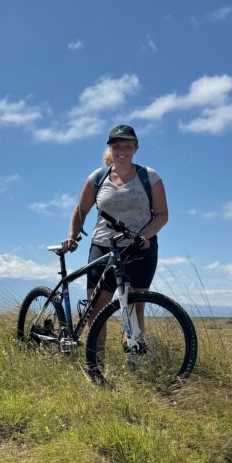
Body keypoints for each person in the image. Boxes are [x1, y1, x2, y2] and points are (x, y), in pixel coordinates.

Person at [61, 123, 169, 335]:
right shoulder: (97, 178)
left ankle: (135, 360)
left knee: (135, 308)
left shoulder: (150, 177)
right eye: (117, 146)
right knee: (96, 309)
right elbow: (81, 209)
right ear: (110, 149)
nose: (122, 151)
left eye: (127, 146)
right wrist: (72, 237)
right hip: (103, 246)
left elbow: (162, 215)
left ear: (136, 148)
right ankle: (97, 364)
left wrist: (143, 236)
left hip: (139, 247)